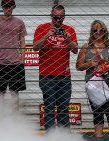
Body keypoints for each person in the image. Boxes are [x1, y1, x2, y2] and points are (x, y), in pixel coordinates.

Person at [33, 4, 78, 132]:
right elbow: (35, 47)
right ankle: (50, 139)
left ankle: (64, 139)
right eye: (55, 18)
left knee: (64, 108)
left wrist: (68, 40)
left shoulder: (69, 30)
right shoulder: (42, 28)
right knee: (49, 108)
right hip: (47, 75)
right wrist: (47, 35)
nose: (58, 21)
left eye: (61, 18)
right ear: (51, 16)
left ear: (64, 17)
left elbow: (75, 50)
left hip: (64, 75)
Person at [76, 20, 109, 138]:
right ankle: (98, 139)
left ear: (104, 31)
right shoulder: (86, 47)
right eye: (95, 30)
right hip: (93, 83)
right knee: (97, 112)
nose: (98, 32)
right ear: (91, 32)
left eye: (101, 30)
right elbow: (78, 66)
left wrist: (105, 67)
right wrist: (90, 64)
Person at [0, 0, 26, 113]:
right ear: (2, 6)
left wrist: (22, 59)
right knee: (0, 93)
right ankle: (0, 119)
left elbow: (22, 41)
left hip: (16, 63)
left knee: (15, 94)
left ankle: (15, 120)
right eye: (6, 6)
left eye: (10, 6)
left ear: (14, 7)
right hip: (1, 63)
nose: (8, 8)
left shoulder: (19, 22)